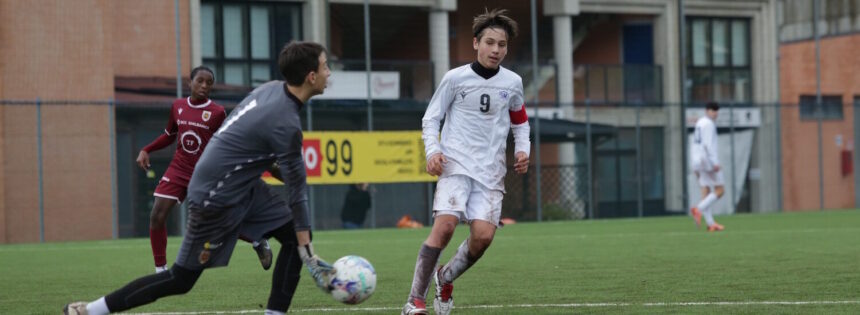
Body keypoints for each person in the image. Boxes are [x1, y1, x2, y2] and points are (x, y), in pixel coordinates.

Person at [64, 41, 336, 315]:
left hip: (240, 185)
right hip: (213, 195)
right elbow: (298, 194)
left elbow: (244, 142)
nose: (329, 73)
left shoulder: (270, 89)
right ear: (311, 77)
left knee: (294, 236)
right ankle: (90, 311)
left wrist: (303, 241)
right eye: (326, 67)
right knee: (181, 279)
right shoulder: (286, 123)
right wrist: (309, 253)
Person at [401, 8, 530, 315]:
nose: (496, 49)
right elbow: (431, 118)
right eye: (490, 42)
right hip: (455, 164)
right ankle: (414, 301)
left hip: (491, 171)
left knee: (483, 237)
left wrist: (523, 148)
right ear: (476, 43)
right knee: (445, 227)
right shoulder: (455, 78)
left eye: (502, 44)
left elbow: (520, 121)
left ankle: (444, 279)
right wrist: (433, 151)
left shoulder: (512, 83)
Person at [135, 66, 272, 273]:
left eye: (209, 83)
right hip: (179, 169)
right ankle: (160, 271)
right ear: (190, 83)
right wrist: (147, 149)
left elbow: (229, 141)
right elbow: (170, 135)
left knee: (217, 221)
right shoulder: (178, 106)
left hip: (205, 173)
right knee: (157, 215)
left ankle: (257, 240)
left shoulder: (217, 112)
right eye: (200, 81)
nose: (204, 86)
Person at [690, 101, 725, 232]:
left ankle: (710, 224)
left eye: (716, 110)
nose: (715, 113)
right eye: (712, 110)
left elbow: (695, 144)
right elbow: (708, 145)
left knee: (706, 190)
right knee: (720, 190)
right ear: (707, 111)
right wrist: (715, 163)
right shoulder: (708, 124)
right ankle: (698, 209)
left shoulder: (699, 123)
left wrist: (694, 164)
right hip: (707, 161)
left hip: (697, 160)